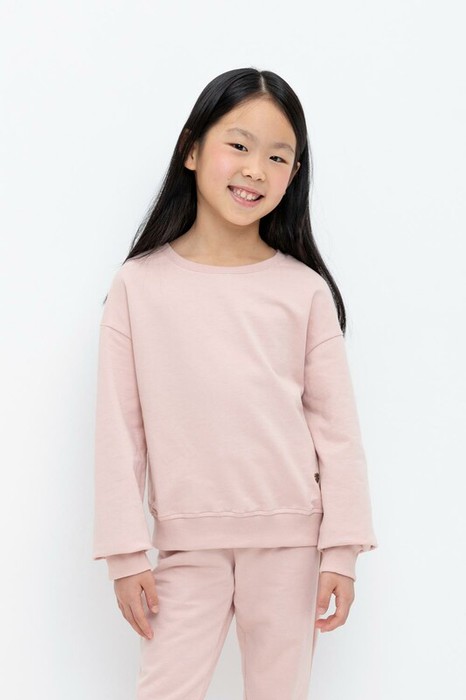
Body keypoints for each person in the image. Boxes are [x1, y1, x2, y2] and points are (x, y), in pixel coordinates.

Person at [92, 66, 378, 699]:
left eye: (278, 157)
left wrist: (342, 552)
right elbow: (119, 428)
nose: (255, 170)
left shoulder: (303, 290)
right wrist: (125, 553)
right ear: (192, 150)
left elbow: (337, 432)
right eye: (239, 145)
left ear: (294, 174)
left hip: (291, 547)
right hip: (184, 548)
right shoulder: (138, 285)